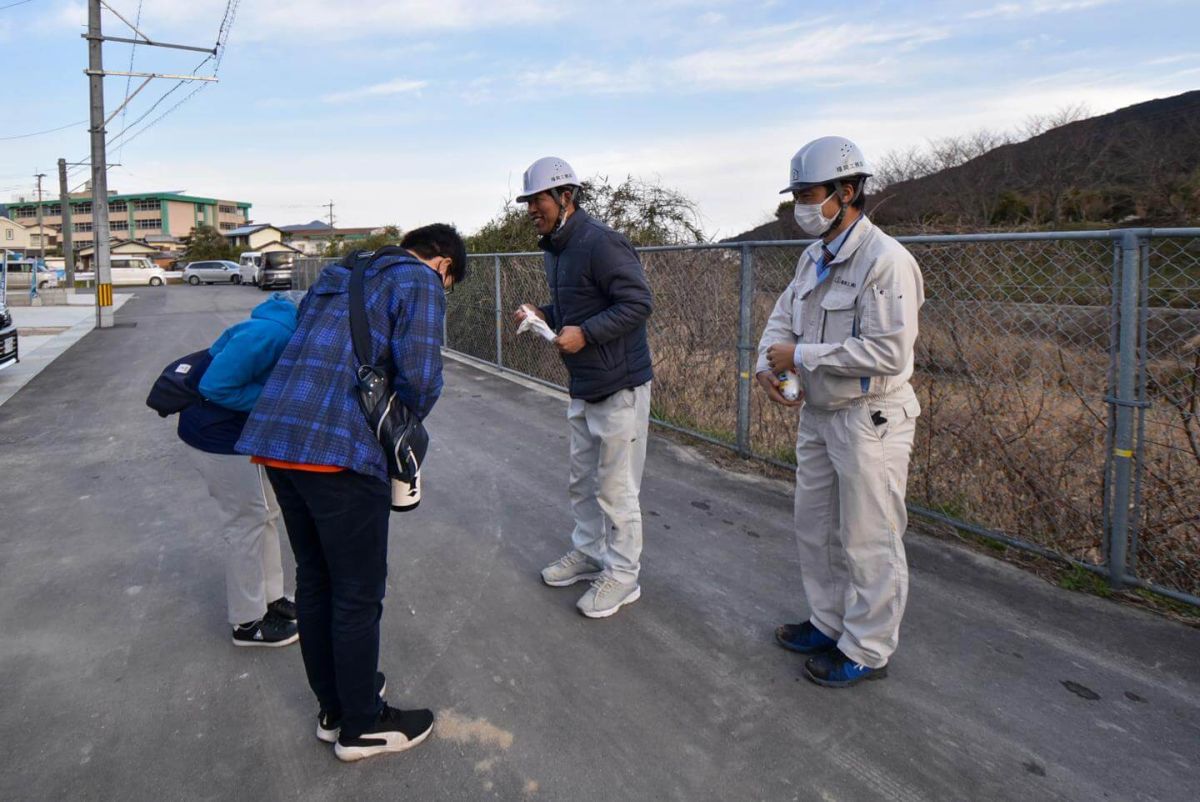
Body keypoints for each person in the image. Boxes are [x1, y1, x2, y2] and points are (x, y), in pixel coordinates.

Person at [236, 224, 467, 763]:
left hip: (278, 438)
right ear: (443, 265)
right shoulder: (421, 280)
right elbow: (422, 376)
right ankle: (362, 726)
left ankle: (335, 708)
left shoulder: (340, 272)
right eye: (449, 282)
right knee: (359, 593)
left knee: (317, 581)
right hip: (338, 450)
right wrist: (400, 430)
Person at [756, 136, 925, 688]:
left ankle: (868, 647)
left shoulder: (886, 261)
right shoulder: (814, 257)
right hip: (822, 414)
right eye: (799, 194)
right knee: (816, 527)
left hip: (869, 417)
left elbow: (889, 351)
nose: (802, 205)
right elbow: (784, 319)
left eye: (809, 194)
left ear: (847, 192)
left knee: (868, 535)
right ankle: (829, 624)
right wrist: (770, 366)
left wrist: (800, 356)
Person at [512, 157, 654, 619]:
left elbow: (637, 303)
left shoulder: (601, 242)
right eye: (529, 201)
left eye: (538, 200)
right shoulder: (557, 247)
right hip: (585, 383)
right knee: (583, 481)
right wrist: (545, 315)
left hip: (619, 384)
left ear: (565, 196)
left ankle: (624, 575)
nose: (532, 208)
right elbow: (578, 305)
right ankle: (590, 553)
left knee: (617, 487)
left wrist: (587, 334)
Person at [176, 291, 302, 648]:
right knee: (246, 522)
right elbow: (215, 387)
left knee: (266, 514)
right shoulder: (270, 334)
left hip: (236, 437)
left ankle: (271, 596)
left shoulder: (280, 329)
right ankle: (247, 624)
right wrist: (277, 400)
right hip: (217, 439)